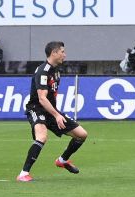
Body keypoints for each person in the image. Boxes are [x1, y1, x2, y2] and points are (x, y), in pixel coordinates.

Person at [18, 41, 88, 182]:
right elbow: (42, 99)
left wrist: (55, 113)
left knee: (81, 134)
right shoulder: (43, 71)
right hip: (37, 109)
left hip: (51, 111)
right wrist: (57, 115)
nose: (65, 54)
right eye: (62, 52)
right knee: (42, 137)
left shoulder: (56, 70)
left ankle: (62, 160)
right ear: (54, 53)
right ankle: (23, 173)